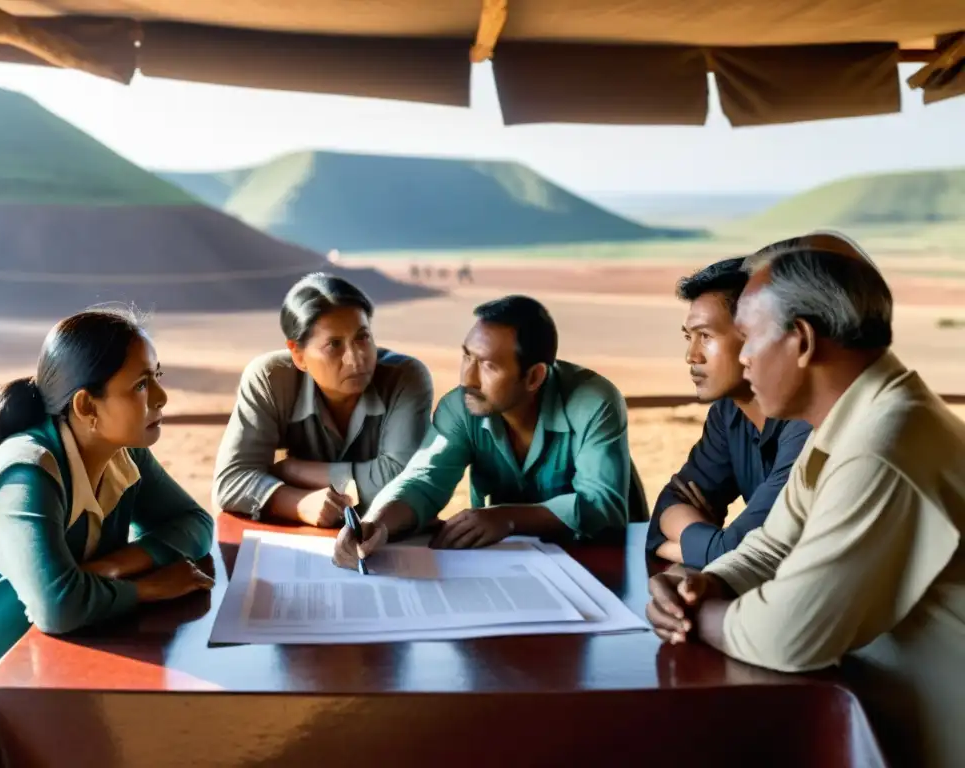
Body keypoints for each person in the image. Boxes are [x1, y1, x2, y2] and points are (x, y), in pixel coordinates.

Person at [645, 234, 965, 768]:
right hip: (880, 717)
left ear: (802, 340)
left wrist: (689, 617)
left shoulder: (881, 446)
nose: (742, 358)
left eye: (747, 337)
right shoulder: (849, 422)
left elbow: (789, 636)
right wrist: (703, 583)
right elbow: (770, 548)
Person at [0, 308, 215, 764]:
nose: (162, 397)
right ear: (87, 406)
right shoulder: (24, 473)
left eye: (157, 377)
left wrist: (110, 567)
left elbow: (195, 524)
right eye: (142, 385)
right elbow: (57, 606)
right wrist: (145, 588)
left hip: (36, 669)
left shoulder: (121, 452)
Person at [333, 294, 635, 566]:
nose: (468, 379)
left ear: (534, 377)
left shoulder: (594, 402)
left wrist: (508, 517)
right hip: (512, 565)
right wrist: (375, 524)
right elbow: (423, 481)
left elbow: (603, 506)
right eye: (467, 357)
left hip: (601, 562)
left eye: (488, 366)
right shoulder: (461, 407)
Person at [212, 273, 433, 526]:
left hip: (387, 537)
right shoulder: (271, 378)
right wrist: (298, 503)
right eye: (334, 345)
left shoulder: (405, 377)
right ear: (298, 355)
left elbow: (407, 483)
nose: (356, 358)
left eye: (363, 337)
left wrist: (292, 470)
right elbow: (231, 482)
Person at [646, 257, 812, 568]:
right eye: (688, 337)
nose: (691, 355)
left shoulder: (808, 425)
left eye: (705, 337)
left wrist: (686, 546)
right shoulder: (728, 413)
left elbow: (743, 554)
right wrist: (712, 544)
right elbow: (667, 509)